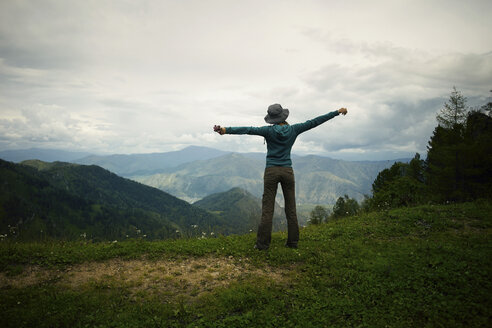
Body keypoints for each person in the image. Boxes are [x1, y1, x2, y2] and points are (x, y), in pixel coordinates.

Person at [214, 104, 348, 250]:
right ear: (283, 116)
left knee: (267, 209)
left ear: (271, 119)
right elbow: (315, 121)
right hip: (287, 171)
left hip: (271, 171)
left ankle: (262, 244)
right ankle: (293, 242)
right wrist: (336, 112)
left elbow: (248, 129)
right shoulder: (294, 130)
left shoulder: (268, 131)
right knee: (291, 208)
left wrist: (225, 130)